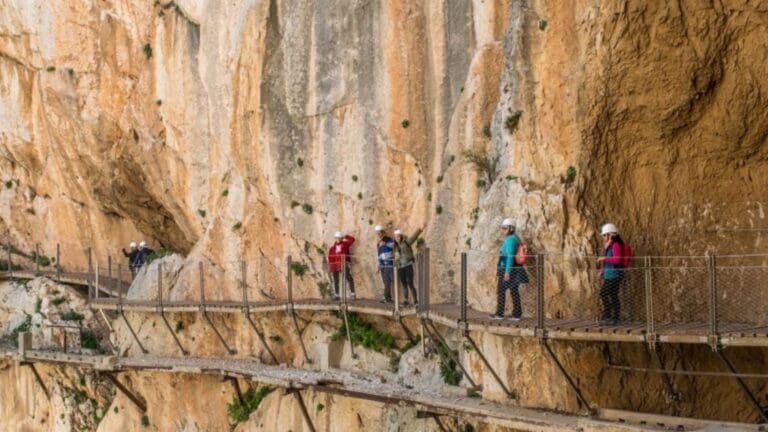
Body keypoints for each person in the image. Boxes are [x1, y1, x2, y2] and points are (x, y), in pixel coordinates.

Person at [490, 218, 528, 321]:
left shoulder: (510, 240)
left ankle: (500, 314)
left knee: (501, 290)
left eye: (505, 228)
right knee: (513, 290)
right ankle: (516, 314)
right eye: (502, 228)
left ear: (511, 228)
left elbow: (510, 256)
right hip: (513, 268)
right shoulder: (515, 238)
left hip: (507, 269)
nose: (502, 230)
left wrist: (507, 272)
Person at [597, 223, 625, 325]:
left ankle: (610, 316)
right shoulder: (609, 246)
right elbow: (608, 261)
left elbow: (617, 260)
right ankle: (612, 317)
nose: (603, 237)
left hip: (614, 275)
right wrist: (602, 271)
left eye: (605, 235)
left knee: (606, 294)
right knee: (611, 295)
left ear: (610, 235)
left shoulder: (616, 245)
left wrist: (604, 258)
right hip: (609, 275)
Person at [394, 228, 422, 305]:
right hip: (400, 267)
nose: (397, 238)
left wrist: (420, 229)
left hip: (408, 265)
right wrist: (396, 257)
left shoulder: (406, 242)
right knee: (404, 284)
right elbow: (394, 255)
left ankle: (416, 301)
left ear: (401, 236)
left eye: (398, 236)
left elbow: (414, 237)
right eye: (396, 237)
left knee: (410, 283)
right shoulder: (395, 246)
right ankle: (406, 300)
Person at [327, 231, 356, 300]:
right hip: (335, 265)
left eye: (339, 238)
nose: (338, 239)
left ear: (341, 238)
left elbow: (352, 240)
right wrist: (331, 266)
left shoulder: (345, 244)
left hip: (344, 263)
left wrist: (346, 236)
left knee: (348, 277)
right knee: (336, 279)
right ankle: (337, 295)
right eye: (337, 238)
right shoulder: (332, 248)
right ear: (335, 238)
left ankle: (353, 294)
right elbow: (330, 257)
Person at [374, 225, 396, 304]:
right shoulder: (379, 243)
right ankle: (388, 298)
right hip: (383, 265)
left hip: (389, 264)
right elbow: (379, 255)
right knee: (385, 282)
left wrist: (385, 243)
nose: (379, 235)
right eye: (377, 233)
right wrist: (379, 266)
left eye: (379, 233)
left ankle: (387, 298)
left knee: (388, 282)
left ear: (383, 232)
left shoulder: (389, 239)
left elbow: (393, 245)